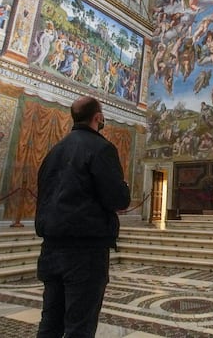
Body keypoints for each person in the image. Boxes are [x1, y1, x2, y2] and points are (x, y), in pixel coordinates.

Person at [35, 96, 131, 337]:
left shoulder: (55, 151)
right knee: (80, 326)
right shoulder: (101, 148)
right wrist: (124, 189)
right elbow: (117, 200)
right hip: (84, 251)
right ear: (98, 118)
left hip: (51, 247)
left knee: (50, 324)